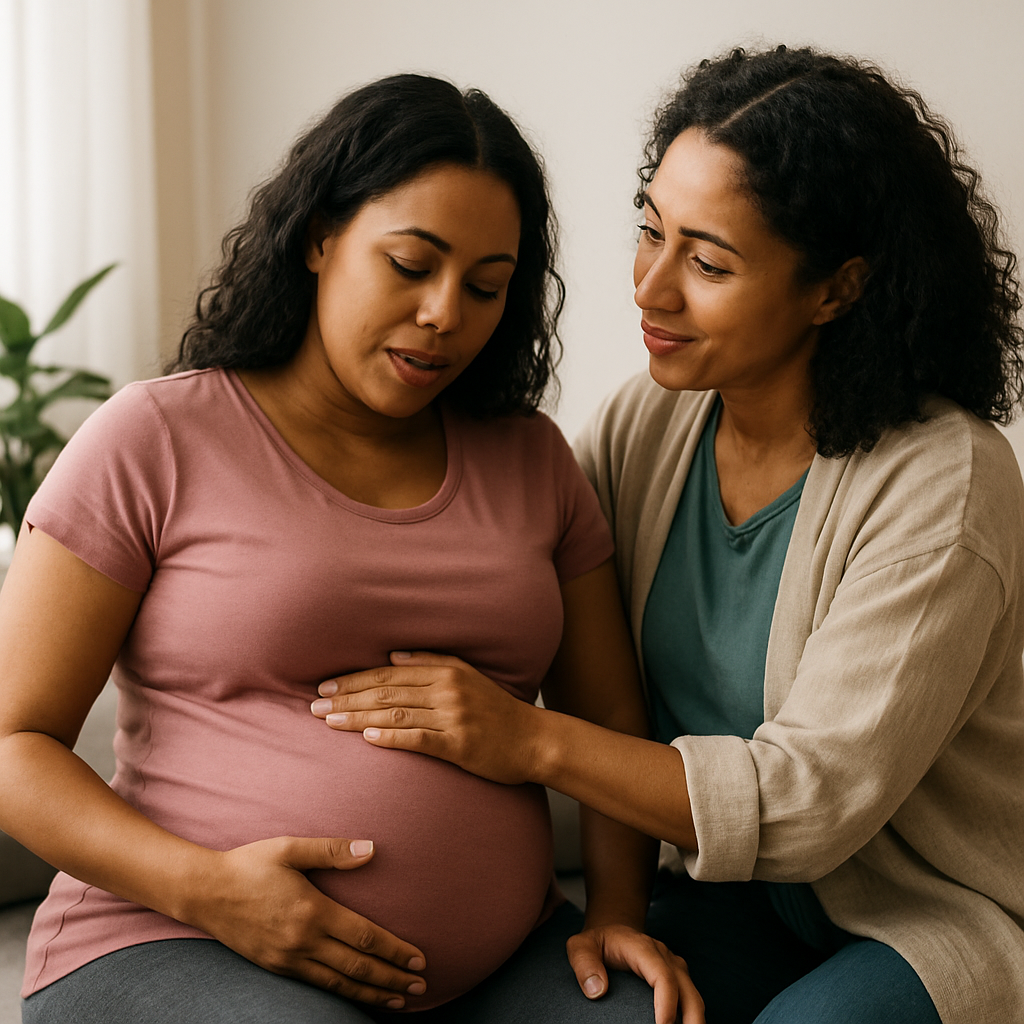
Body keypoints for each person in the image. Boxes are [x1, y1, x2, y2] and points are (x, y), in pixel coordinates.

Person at [311, 47, 1024, 1023]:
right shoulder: (645, 425)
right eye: (650, 232)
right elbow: (517, 595)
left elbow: (808, 805)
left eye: (708, 263)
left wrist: (528, 740)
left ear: (835, 289)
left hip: (929, 915)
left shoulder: (944, 481)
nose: (650, 287)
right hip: (723, 901)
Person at [0, 74, 699, 1024]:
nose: (445, 313)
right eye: (410, 265)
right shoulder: (155, 438)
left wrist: (616, 913)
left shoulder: (532, 460)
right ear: (318, 237)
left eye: (486, 287)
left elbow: (609, 715)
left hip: (499, 969)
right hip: (172, 938)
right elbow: (14, 743)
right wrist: (208, 890)